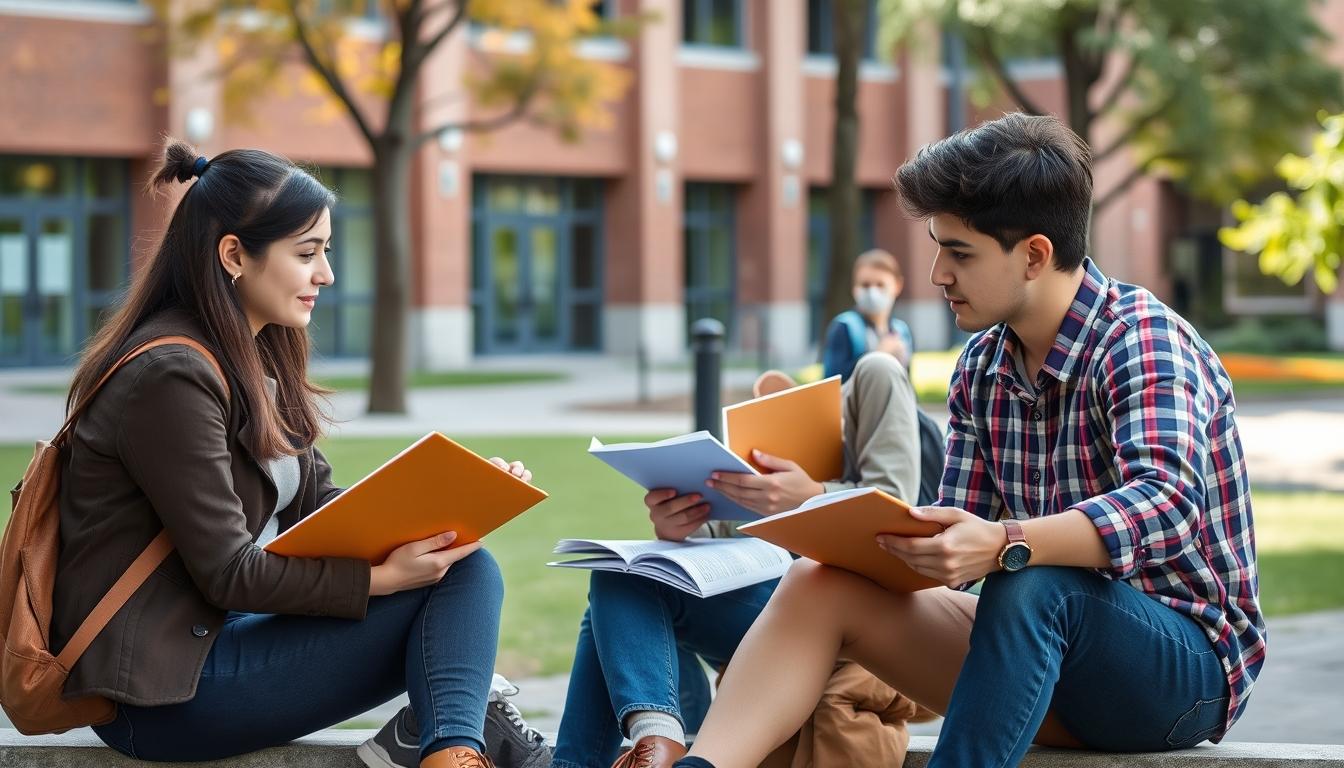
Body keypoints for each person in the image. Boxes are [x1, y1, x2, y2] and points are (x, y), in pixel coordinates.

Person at [671, 113, 1264, 768]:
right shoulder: (982, 367)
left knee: (1034, 580)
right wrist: (823, 522)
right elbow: (950, 552)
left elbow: (1167, 504)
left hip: (1181, 678)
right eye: (937, 247)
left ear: (1035, 255)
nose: (935, 274)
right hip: (1037, 660)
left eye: (960, 253)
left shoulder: (1142, 341)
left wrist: (1009, 543)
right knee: (822, 582)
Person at [50, 141, 541, 768]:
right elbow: (229, 573)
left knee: (466, 564)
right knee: (466, 582)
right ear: (234, 255)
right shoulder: (170, 375)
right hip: (160, 696)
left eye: (326, 252)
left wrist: (457, 505)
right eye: (306, 253)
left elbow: (321, 512)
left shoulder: (254, 359)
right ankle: (444, 743)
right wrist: (380, 579)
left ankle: (444, 744)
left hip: (220, 647)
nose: (327, 275)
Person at [551, 352, 923, 768]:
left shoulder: (876, 375)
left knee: (621, 590)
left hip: (846, 616)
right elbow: (726, 534)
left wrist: (812, 496)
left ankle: (646, 749)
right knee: (621, 574)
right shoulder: (782, 432)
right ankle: (657, 744)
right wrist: (679, 527)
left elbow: (896, 505)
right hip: (774, 607)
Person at [822, 249, 914, 380]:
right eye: (865, 285)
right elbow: (832, 382)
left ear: (897, 285)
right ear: (855, 288)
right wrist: (878, 356)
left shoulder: (901, 331)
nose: (872, 292)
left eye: (880, 285)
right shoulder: (845, 327)